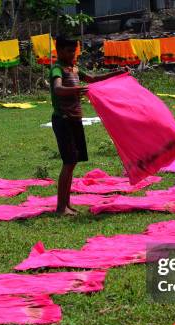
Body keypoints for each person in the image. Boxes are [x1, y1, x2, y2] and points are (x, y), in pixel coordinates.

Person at [50, 36, 126, 215]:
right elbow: (58, 89)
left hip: (75, 119)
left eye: (73, 51)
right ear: (59, 51)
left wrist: (117, 73)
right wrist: (77, 90)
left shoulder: (75, 69)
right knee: (68, 163)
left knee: (73, 162)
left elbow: (92, 78)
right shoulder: (57, 69)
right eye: (68, 51)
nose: (71, 55)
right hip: (63, 119)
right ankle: (61, 207)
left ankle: (66, 205)